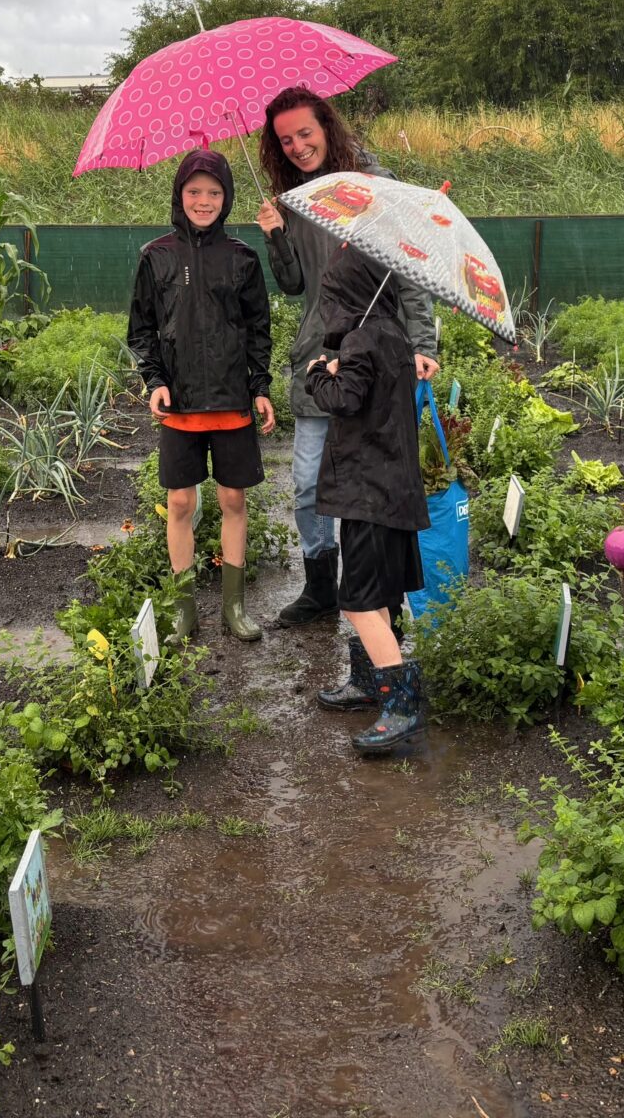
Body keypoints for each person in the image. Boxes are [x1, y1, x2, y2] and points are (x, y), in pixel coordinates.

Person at [256, 87, 439, 628]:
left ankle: (383, 598)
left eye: (304, 133)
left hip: (376, 356)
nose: (296, 146)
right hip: (319, 357)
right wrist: (275, 237)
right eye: (285, 140)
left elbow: (408, 269)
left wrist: (423, 343)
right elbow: (294, 284)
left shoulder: (372, 186)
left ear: (327, 128)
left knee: (377, 487)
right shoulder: (293, 199)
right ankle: (320, 588)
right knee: (309, 483)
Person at [126, 148, 275, 642]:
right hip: (181, 403)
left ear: (227, 197)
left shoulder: (242, 258)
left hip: (231, 400)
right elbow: (142, 329)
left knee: (233, 498)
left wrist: (259, 386)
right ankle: (184, 610)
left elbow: (258, 328)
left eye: (214, 192)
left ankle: (234, 607)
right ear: (180, 195)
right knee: (179, 504)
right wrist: (156, 381)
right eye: (194, 191)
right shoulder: (156, 256)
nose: (204, 201)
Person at [304, 246, 427, 755]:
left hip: (367, 493)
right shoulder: (394, 335)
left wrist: (318, 373)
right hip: (392, 489)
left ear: (347, 293)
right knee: (384, 593)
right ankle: (365, 680)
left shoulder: (360, 338)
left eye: (330, 294)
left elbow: (344, 399)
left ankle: (402, 704)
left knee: (359, 603)